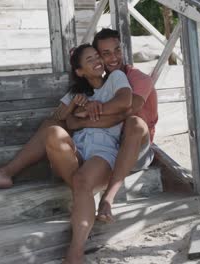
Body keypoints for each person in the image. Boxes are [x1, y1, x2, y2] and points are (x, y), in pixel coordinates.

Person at [0, 28, 158, 222]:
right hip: (104, 142)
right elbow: (61, 115)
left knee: (134, 122)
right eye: (104, 53)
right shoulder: (94, 85)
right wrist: (74, 112)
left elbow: (124, 112)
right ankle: (5, 173)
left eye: (117, 50)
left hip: (133, 148)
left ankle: (106, 197)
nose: (113, 58)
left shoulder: (136, 78)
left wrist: (80, 119)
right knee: (53, 124)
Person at [43, 43, 132, 263]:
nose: (97, 61)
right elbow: (59, 117)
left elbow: (124, 106)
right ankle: (84, 192)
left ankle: (75, 252)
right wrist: (75, 105)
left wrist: (89, 111)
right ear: (80, 71)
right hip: (79, 147)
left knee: (81, 180)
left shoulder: (115, 78)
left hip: (103, 149)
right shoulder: (78, 92)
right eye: (89, 60)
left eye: (96, 56)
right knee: (53, 132)